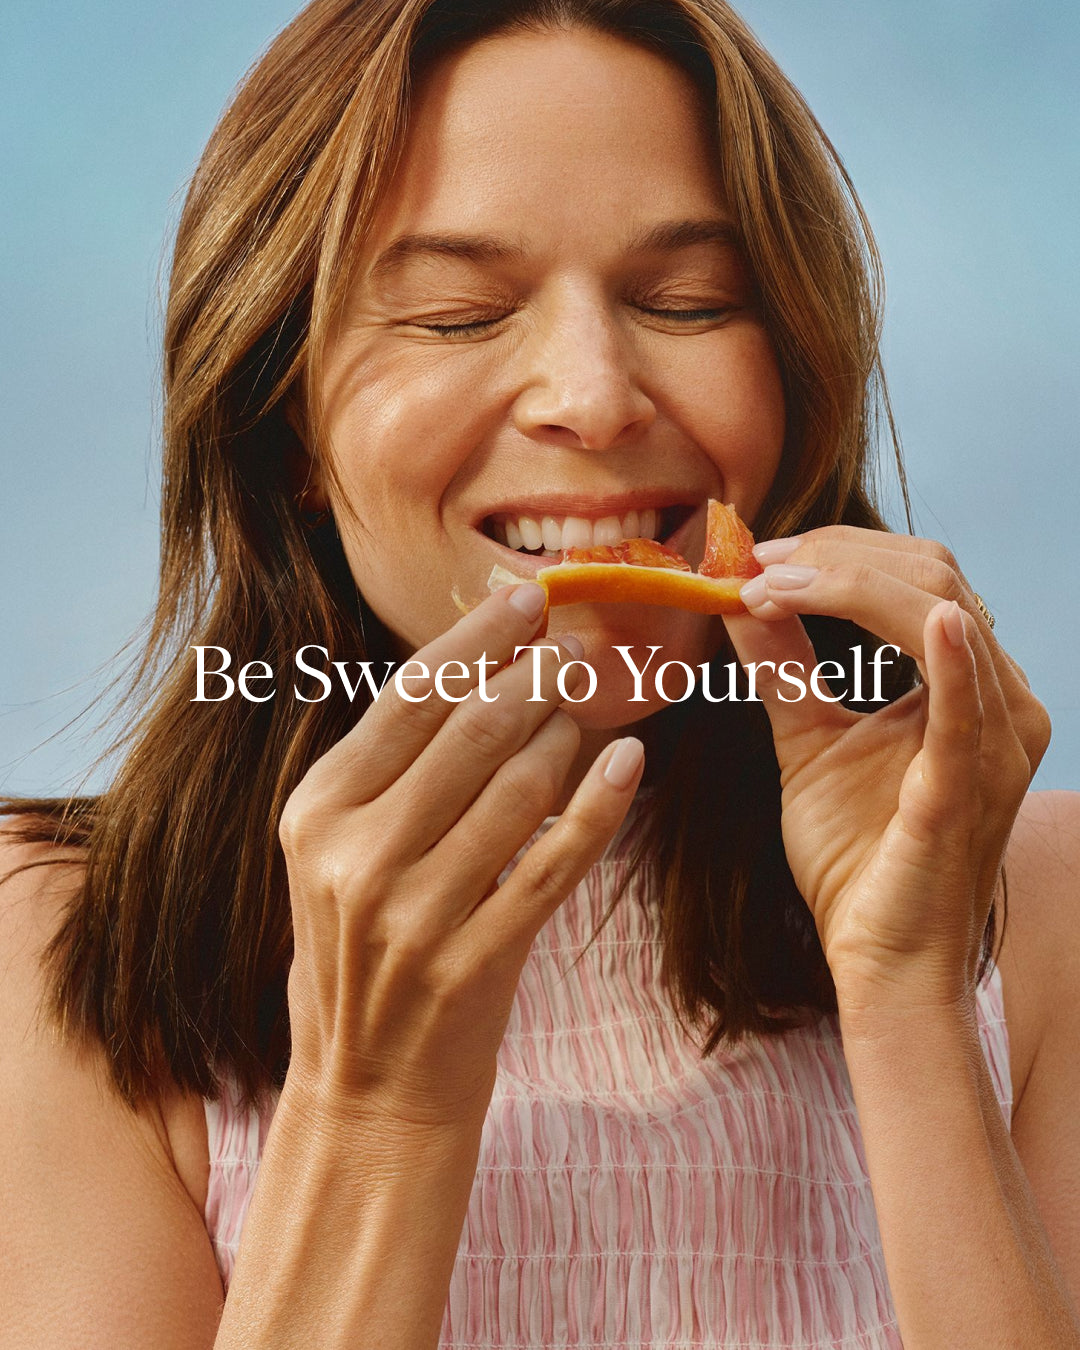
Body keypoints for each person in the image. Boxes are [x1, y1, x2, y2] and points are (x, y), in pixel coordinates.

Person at [2, 0, 1078, 1346]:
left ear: (795, 377)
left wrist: (913, 993)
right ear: (285, 422)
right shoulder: (55, 944)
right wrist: (372, 1106)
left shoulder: (1037, 907)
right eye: (458, 316)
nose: (594, 393)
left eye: (686, 301)